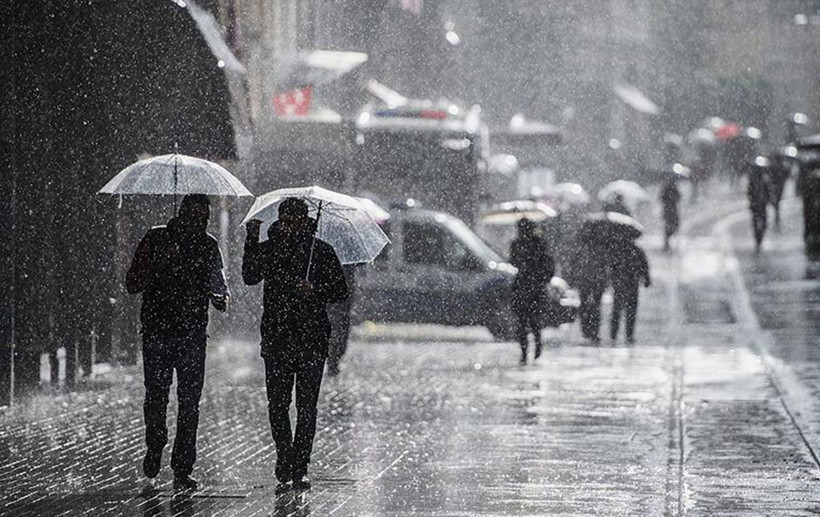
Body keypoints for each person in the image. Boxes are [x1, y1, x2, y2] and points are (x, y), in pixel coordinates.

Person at [242, 198, 349, 494]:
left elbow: (340, 291)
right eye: (283, 220)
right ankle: (284, 455)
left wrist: (314, 289)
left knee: (306, 406)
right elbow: (250, 276)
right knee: (278, 405)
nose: (286, 226)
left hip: (311, 339)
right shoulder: (270, 248)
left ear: (304, 221)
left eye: (292, 221)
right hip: (277, 338)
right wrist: (251, 239)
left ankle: (300, 464)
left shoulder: (321, 251)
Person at [126, 194, 229, 491]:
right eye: (194, 216)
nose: (199, 222)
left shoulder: (208, 246)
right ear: (181, 214)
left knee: (190, 403)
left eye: (204, 217)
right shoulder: (156, 239)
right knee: (156, 396)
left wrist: (220, 298)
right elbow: (132, 283)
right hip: (158, 332)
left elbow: (219, 285)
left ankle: (183, 467)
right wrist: (161, 261)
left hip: (192, 334)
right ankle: (155, 443)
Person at [509, 218, 555, 364]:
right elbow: (513, 261)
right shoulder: (517, 244)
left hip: (533, 287)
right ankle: (525, 352)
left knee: (532, 322)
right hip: (524, 286)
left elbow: (547, 264)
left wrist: (539, 276)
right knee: (523, 322)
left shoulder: (538, 244)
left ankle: (536, 347)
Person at [568, 234, 609, 344]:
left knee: (586, 306)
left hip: (586, 283)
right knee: (594, 307)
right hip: (593, 283)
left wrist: (573, 280)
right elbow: (604, 269)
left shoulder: (581, 253)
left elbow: (573, 267)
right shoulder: (600, 253)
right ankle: (592, 330)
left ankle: (587, 330)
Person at [609, 240, 651, 344]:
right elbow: (644, 267)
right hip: (631, 284)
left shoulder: (618, 250)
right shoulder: (637, 251)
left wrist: (613, 279)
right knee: (630, 310)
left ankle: (614, 334)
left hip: (620, 284)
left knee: (617, 310)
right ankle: (628, 334)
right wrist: (646, 279)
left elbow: (611, 267)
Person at [326, 264, 357, 376]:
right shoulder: (344, 268)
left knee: (339, 335)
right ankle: (332, 359)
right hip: (336, 307)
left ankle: (333, 358)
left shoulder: (348, 269)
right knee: (337, 334)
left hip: (341, 308)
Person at [747, 160, 771, 253]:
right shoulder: (755, 180)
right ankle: (758, 239)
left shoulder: (763, 180)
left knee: (761, 223)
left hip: (760, 205)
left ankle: (758, 239)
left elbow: (768, 192)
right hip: (757, 206)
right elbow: (750, 193)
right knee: (759, 223)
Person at [660, 176, 681, 252]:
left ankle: (667, 242)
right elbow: (662, 198)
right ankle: (667, 242)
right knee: (670, 226)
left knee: (672, 226)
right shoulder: (667, 189)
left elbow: (678, 197)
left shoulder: (672, 188)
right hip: (669, 211)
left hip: (671, 211)